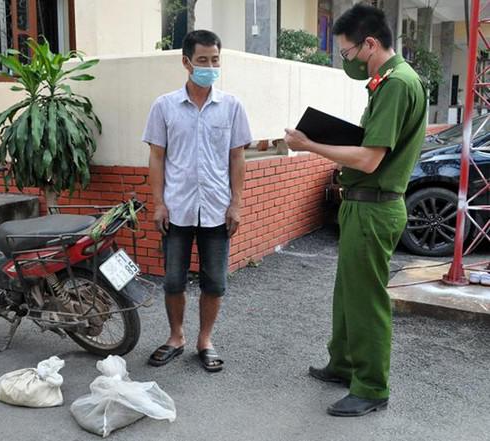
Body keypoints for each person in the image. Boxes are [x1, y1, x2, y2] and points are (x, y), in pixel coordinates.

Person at [284, 3, 427, 416]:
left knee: (366, 301)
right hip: (362, 206)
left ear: (370, 43)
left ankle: (371, 387)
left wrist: (310, 144)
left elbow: (368, 159)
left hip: (375, 206)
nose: (348, 62)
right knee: (348, 293)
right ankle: (344, 364)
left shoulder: (397, 83)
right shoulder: (388, 81)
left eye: (347, 54)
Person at [142, 30, 252, 372]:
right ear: (186, 62)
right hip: (177, 208)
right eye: (202, 60)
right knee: (173, 279)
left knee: (215, 281)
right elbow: (157, 158)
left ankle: (205, 339)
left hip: (217, 209)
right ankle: (176, 337)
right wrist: (158, 202)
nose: (209, 66)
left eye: (215, 60)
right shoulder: (164, 106)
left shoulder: (232, 106)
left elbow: (237, 159)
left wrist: (236, 203)